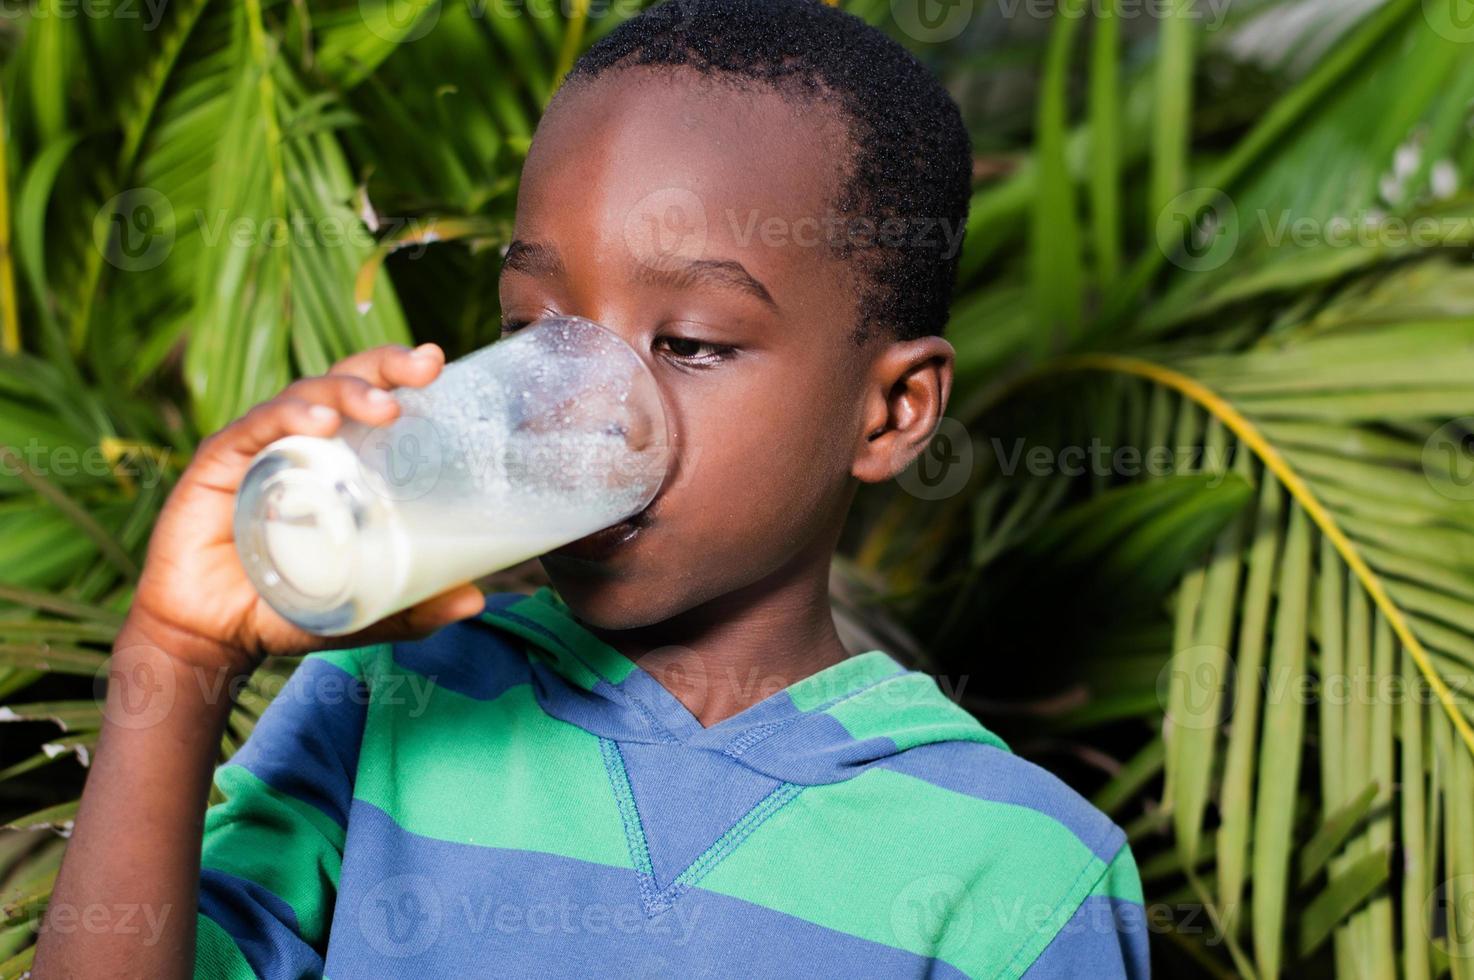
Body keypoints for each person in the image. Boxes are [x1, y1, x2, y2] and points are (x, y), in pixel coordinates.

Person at [36, 1, 1149, 976]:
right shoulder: (388, 703)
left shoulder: (1017, 870)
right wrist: (176, 657)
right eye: (537, 330)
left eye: (693, 342)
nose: (582, 406)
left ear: (893, 408)